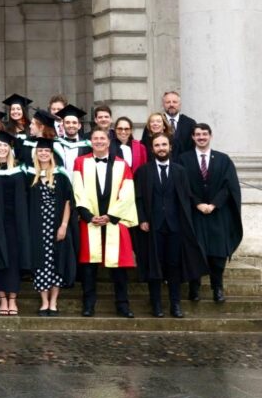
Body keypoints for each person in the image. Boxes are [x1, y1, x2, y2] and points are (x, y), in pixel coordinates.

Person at [133, 133, 208, 318]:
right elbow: (138, 198)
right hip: (152, 226)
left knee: (174, 265)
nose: (161, 148)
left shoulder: (180, 171)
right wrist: (142, 219)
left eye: (164, 144)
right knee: (155, 265)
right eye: (157, 145)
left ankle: (175, 305)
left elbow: (186, 197)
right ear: (152, 149)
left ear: (170, 147)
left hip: (175, 227)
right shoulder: (143, 171)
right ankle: (156, 305)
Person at [72, 128, 137, 318]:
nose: (99, 141)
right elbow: (78, 189)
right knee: (89, 266)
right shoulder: (80, 162)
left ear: (109, 142)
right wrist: (87, 214)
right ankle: (88, 304)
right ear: (90, 142)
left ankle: (123, 305)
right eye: (95, 138)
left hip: (114, 221)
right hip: (90, 220)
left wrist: (111, 216)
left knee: (119, 268)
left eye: (102, 138)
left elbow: (127, 193)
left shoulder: (121, 164)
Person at [178, 123, 242, 303]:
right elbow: (183, 186)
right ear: (192, 137)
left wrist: (214, 204)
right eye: (197, 134)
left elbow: (229, 187)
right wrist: (197, 203)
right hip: (194, 213)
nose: (201, 137)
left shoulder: (223, 159)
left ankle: (218, 288)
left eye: (204, 134)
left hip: (218, 213)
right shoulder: (184, 159)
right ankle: (194, 287)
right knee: (195, 251)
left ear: (210, 136)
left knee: (217, 254)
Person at [26, 138, 76, 316]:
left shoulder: (60, 175)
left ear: (51, 153)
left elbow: (68, 202)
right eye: (40, 151)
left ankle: (54, 302)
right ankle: (44, 302)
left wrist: (63, 225)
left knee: (56, 262)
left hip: (56, 225)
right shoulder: (31, 175)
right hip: (37, 228)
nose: (43, 153)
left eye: (46, 151)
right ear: (36, 153)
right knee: (40, 263)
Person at [0, 132, 30, 317]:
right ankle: (2, 298)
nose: (2, 149)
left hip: (16, 221)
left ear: (10, 148)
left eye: (5, 146)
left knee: (13, 258)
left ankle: (12, 298)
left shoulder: (20, 169)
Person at [142, 91, 196, 156]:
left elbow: (194, 147)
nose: (171, 105)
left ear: (180, 104)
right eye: (168, 102)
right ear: (163, 104)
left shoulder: (190, 123)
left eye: (174, 102)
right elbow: (145, 147)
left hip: (184, 164)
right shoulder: (154, 124)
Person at [56, 105, 92, 173]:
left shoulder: (87, 146)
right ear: (63, 125)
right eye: (67, 122)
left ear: (79, 126)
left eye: (74, 123)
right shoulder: (57, 144)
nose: (71, 125)